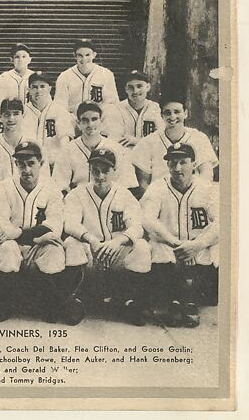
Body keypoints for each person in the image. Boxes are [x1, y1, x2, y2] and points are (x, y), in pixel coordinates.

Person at [63, 148, 152, 326]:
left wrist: (117, 241)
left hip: (115, 251)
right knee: (71, 243)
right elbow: (69, 223)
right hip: (90, 252)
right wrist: (91, 239)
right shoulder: (78, 194)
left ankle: (132, 302)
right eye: (95, 170)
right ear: (89, 170)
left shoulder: (125, 195)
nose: (100, 176)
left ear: (115, 172)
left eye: (106, 170)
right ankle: (76, 301)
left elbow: (137, 227)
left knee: (141, 247)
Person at [141, 143, 219, 327]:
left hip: (200, 249)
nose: (177, 168)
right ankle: (176, 301)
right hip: (170, 246)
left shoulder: (207, 188)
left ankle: (188, 300)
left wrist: (197, 245)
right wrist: (177, 244)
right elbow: (147, 219)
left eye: (183, 162)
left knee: (216, 246)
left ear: (193, 164)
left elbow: (221, 223)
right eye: (172, 163)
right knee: (156, 247)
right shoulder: (157, 187)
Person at [0, 141, 66, 322]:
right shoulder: (2, 188)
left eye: (31, 163)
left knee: (54, 250)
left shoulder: (52, 189)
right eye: (21, 164)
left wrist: (18, 233)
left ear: (41, 163)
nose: (26, 169)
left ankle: (47, 303)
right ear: (15, 164)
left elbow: (53, 226)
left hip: (35, 247)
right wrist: (33, 235)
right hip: (12, 245)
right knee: (8, 250)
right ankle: (6, 303)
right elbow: (1, 225)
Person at [131, 95, 218, 196]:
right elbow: (143, 184)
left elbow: (206, 175)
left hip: (192, 196)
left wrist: (193, 198)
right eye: (168, 113)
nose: (172, 117)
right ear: (161, 115)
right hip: (160, 198)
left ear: (185, 113)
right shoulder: (148, 142)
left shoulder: (199, 138)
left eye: (177, 112)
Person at [52, 101, 137, 194]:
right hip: (78, 200)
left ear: (101, 121)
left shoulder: (116, 148)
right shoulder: (67, 150)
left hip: (110, 200)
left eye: (94, 119)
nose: (90, 124)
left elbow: (127, 184)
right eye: (85, 120)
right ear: (78, 123)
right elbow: (60, 187)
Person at [0, 98, 38, 189]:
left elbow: (43, 180)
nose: (11, 118)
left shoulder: (34, 145)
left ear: (23, 116)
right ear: (0, 116)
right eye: (7, 114)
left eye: (16, 114)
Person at [54, 38, 119, 117]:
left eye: (87, 55)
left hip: (98, 121)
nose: (84, 59)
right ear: (74, 56)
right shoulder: (64, 76)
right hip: (73, 120)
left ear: (94, 55)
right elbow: (60, 105)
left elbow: (112, 104)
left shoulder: (106, 74)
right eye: (80, 55)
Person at [23, 71, 74, 171]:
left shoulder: (59, 111)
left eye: (42, 86)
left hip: (54, 166)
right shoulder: (23, 111)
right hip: (28, 165)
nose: (38, 90)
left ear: (50, 88)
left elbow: (65, 141)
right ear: (29, 89)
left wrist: (62, 164)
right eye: (34, 87)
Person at [102, 70, 163, 149]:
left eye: (139, 86)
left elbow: (161, 138)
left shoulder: (154, 107)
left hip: (149, 155)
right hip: (125, 156)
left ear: (148, 87)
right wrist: (147, 142)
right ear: (126, 89)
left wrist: (136, 141)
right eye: (131, 87)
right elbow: (116, 140)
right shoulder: (116, 109)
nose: (135, 91)